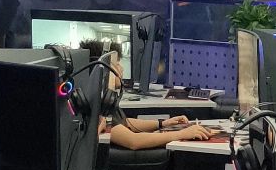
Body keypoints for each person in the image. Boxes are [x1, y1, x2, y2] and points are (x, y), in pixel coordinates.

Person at [89, 42, 218, 151]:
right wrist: (182, 133)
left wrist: (162, 123)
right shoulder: (96, 107)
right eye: (117, 64)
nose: (121, 69)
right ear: (103, 70)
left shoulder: (105, 101)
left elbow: (124, 123)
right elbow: (133, 141)